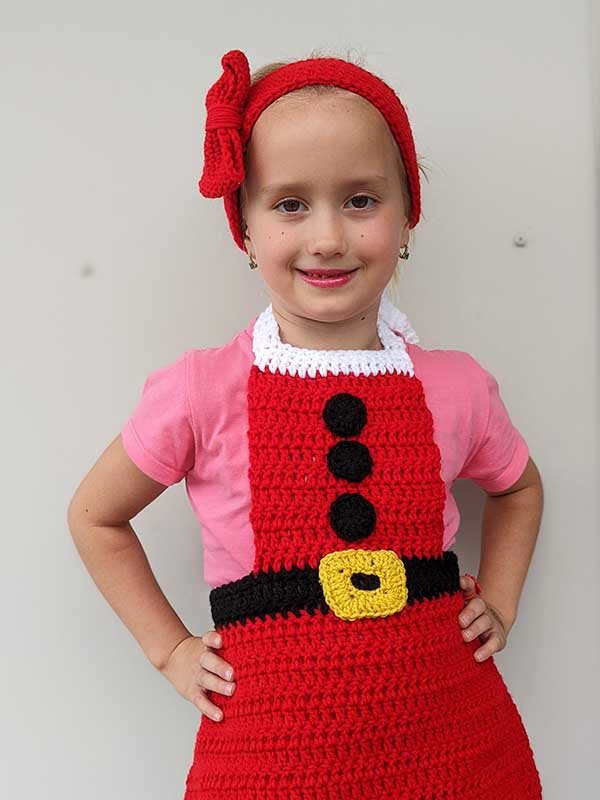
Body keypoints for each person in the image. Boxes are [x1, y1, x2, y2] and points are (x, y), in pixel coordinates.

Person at [67, 48, 544, 798]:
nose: (327, 237)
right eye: (290, 204)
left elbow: (518, 488)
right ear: (246, 229)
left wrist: (505, 599)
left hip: (452, 737)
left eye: (361, 200)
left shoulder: (454, 386)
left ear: (408, 214)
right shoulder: (202, 390)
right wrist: (171, 652)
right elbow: (96, 517)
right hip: (269, 756)